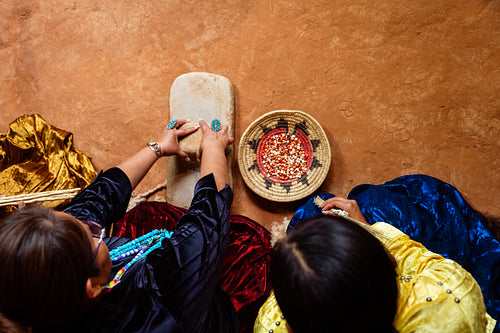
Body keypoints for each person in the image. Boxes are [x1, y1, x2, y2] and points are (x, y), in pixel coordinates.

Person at [0, 119, 242, 332]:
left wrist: (157, 148)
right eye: (94, 235)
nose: (95, 228)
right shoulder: (159, 300)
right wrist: (213, 146)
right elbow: (208, 219)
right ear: (91, 288)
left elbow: (98, 198)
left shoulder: (44, 290)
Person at [254, 175, 499, 333]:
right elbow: (421, 259)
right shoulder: (449, 299)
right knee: (375, 203)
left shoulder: (269, 325)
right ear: (391, 271)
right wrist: (369, 230)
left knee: (309, 214)